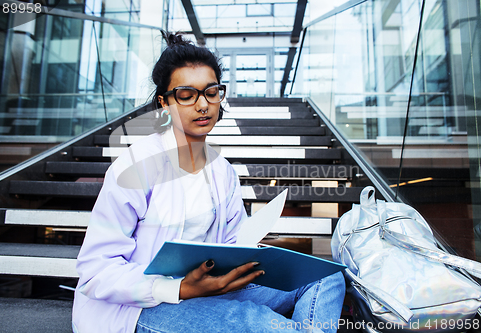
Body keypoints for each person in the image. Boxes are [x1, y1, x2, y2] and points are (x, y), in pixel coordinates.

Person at [72, 32, 345, 333]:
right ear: (165, 103)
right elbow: (96, 270)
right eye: (187, 95)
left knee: (323, 276)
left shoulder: (222, 170)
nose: (203, 105)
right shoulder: (135, 167)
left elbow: (232, 243)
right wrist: (179, 289)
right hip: (141, 307)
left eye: (211, 92)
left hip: (212, 289)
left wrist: (258, 255)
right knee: (262, 325)